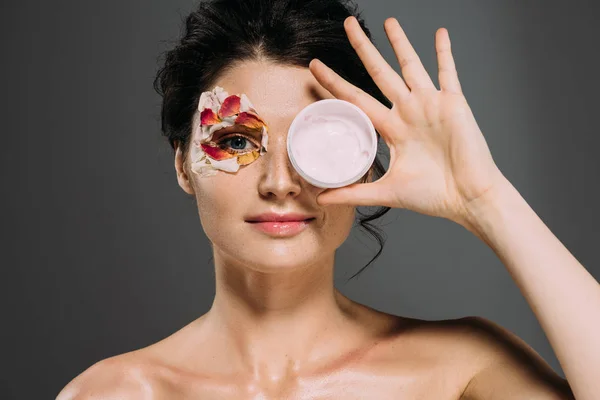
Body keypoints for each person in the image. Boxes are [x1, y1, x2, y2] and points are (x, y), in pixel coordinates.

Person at [57, 0, 599, 398]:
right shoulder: (113, 393)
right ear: (183, 163)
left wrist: (486, 198)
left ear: (363, 157)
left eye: (315, 140)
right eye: (237, 140)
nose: (279, 182)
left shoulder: (460, 371)